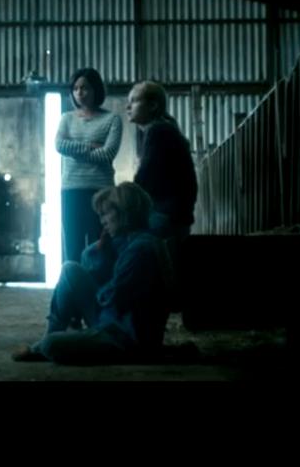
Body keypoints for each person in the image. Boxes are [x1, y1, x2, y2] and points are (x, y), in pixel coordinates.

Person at [13, 182, 172, 364]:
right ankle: (49, 337)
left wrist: (92, 289)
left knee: (52, 345)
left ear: (124, 213)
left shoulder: (140, 249)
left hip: (127, 338)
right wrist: (98, 253)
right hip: (112, 321)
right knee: (69, 269)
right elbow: (91, 274)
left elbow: (111, 297)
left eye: (106, 214)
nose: (102, 221)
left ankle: (47, 344)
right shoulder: (126, 242)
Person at [56, 67, 123, 264]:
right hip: (72, 189)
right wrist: (90, 147)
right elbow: (60, 145)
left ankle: (99, 284)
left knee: (100, 247)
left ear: (96, 90)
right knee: (72, 247)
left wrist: (75, 149)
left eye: (85, 88)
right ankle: (74, 282)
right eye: (75, 88)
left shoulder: (112, 119)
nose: (79, 93)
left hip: (101, 190)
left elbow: (107, 153)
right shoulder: (66, 118)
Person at [126, 80, 198, 245]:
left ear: (152, 106)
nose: (128, 107)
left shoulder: (158, 131)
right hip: (175, 215)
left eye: (134, 101)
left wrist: (124, 199)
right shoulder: (164, 128)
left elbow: (145, 178)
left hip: (165, 215)